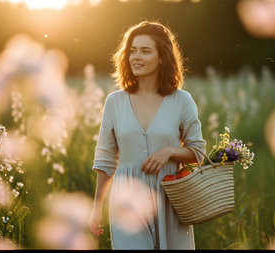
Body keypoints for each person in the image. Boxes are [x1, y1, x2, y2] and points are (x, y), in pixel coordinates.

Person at [88, 21, 206, 250]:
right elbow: (105, 160)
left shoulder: (182, 101)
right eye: (132, 51)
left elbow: (198, 152)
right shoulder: (115, 102)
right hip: (126, 202)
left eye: (145, 51)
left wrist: (170, 152)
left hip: (171, 198)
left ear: (162, 57)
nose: (136, 57)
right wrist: (96, 209)